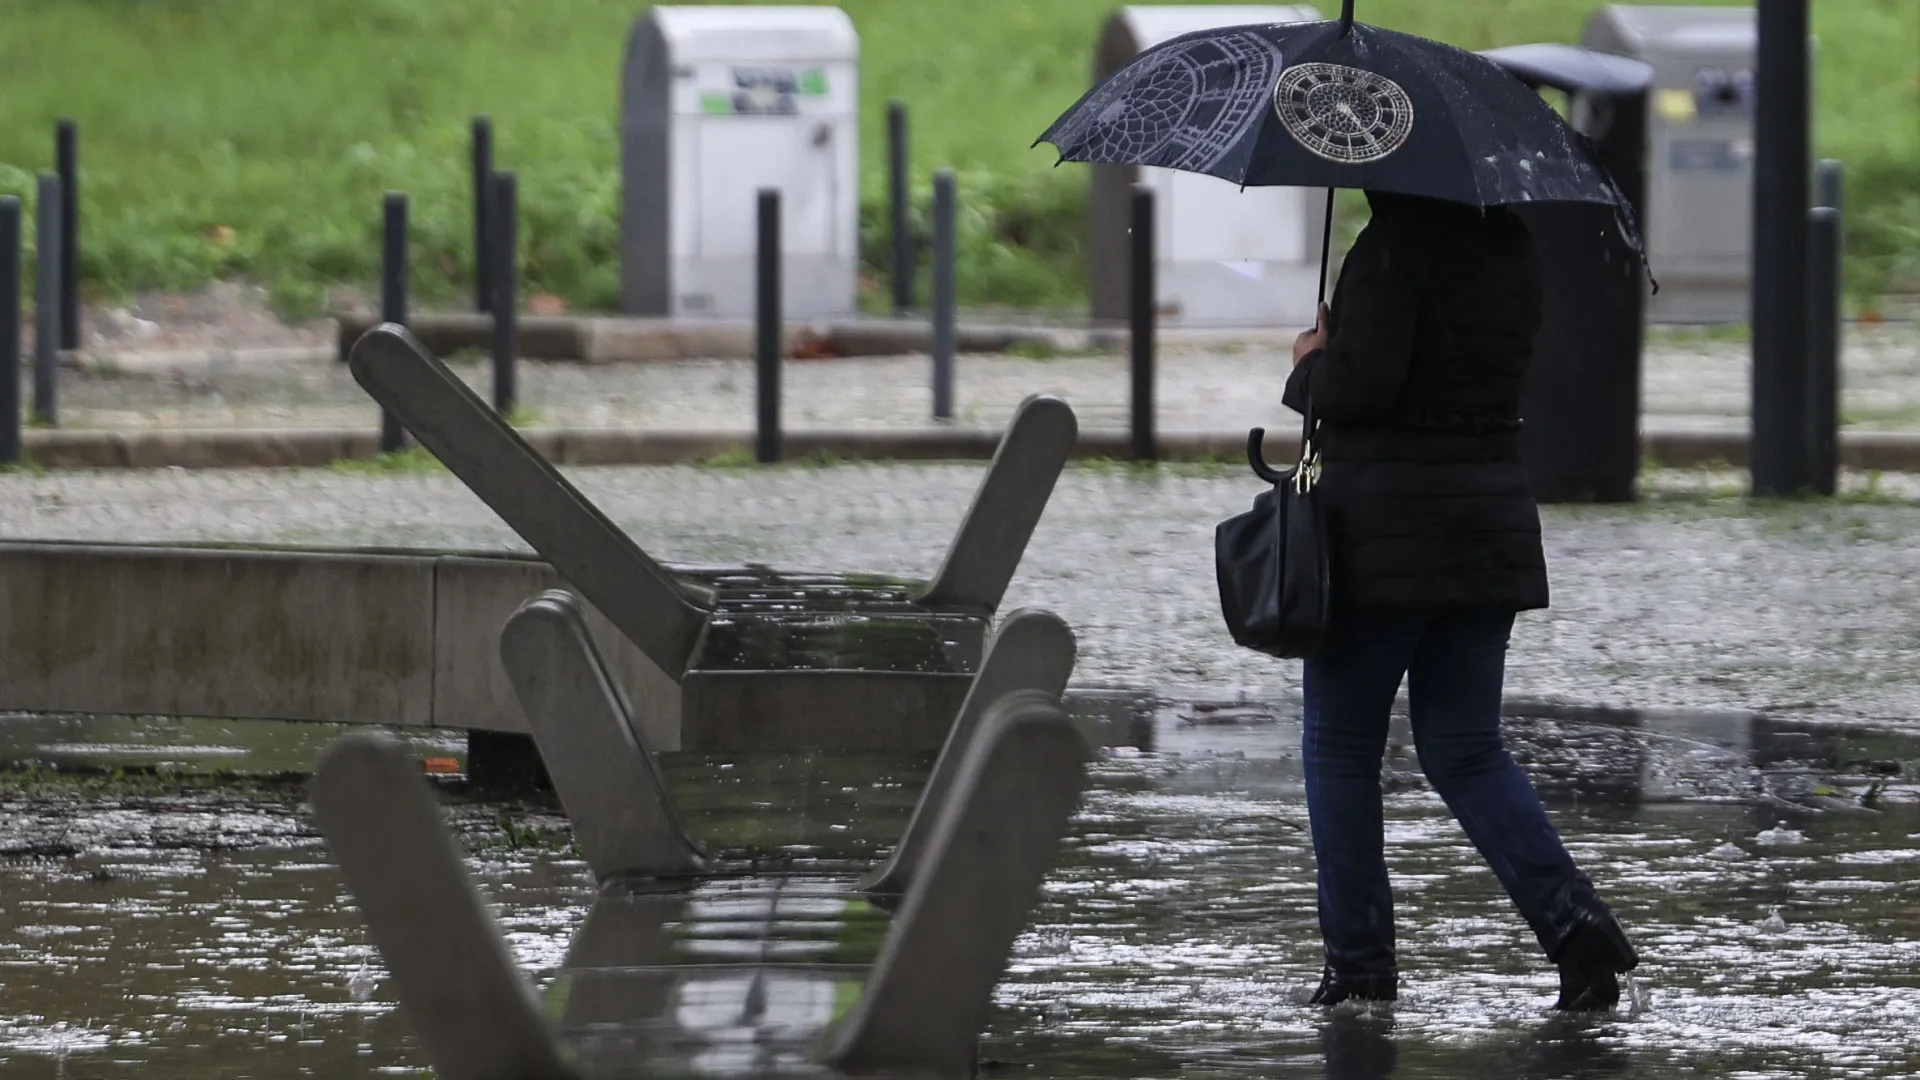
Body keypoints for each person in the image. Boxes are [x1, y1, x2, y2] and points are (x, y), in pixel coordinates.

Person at [1281, 189, 1637, 1011]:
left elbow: (1363, 387)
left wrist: (1310, 362)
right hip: (1487, 529)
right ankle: (1575, 924)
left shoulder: (1391, 249)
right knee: (1466, 749)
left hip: (1384, 542)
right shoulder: (1510, 243)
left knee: (1340, 749)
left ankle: (1360, 967)